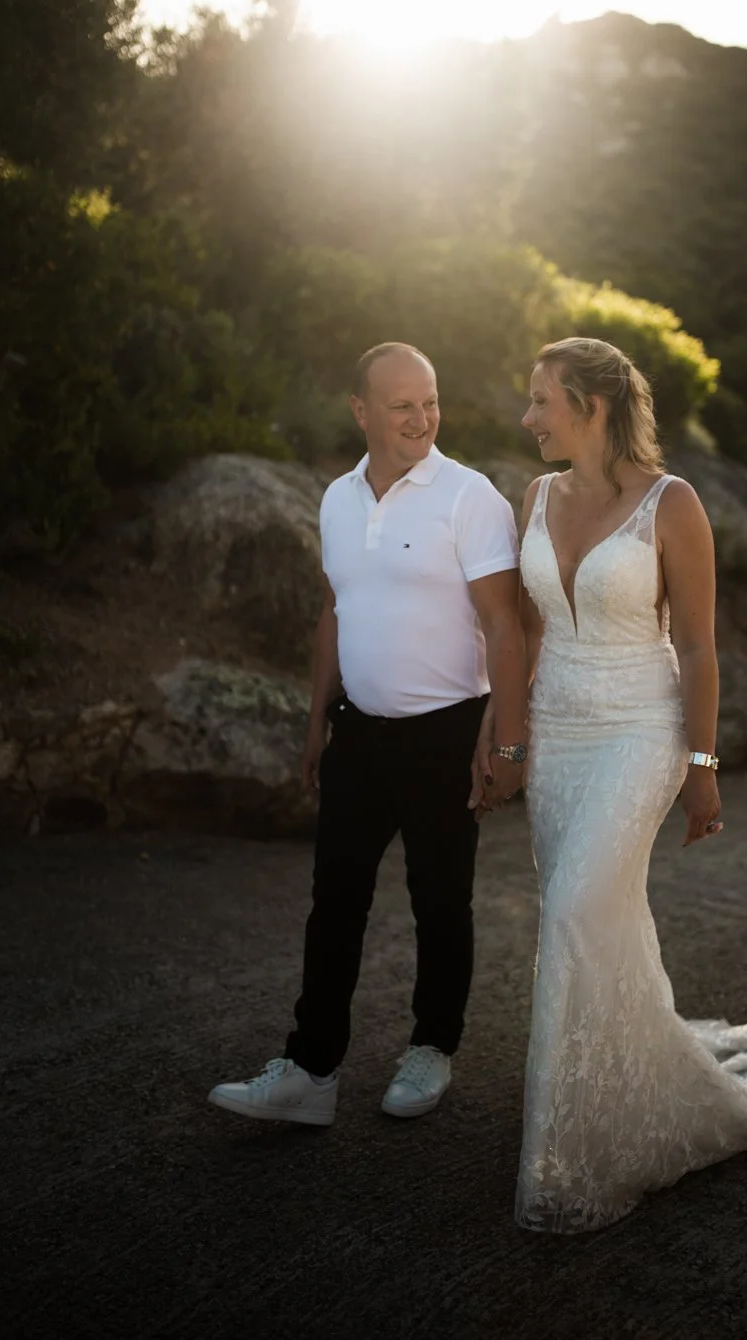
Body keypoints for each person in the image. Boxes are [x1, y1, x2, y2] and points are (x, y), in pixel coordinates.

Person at [477, 336, 747, 1233]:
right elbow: (522, 631)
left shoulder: (671, 504)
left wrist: (703, 765)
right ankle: (621, 1083)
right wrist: (505, 736)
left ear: (592, 407)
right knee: (595, 918)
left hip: (641, 731)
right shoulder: (535, 495)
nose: (527, 418)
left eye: (541, 401)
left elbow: (697, 646)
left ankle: (577, 1154)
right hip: (559, 737)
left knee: (572, 909)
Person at [209, 343, 529, 1126]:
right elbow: (333, 611)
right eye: (401, 405)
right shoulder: (337, 500)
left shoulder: (470, 496)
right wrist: (319, 716)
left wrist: (511, 746)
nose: (421, 419)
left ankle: (433, 1047)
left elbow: (506, 625)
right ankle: (311, 1072)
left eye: (431, 402)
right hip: (358, 735)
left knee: (441, 902)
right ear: (361, 411)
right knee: (334, 903)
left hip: (446, 735)